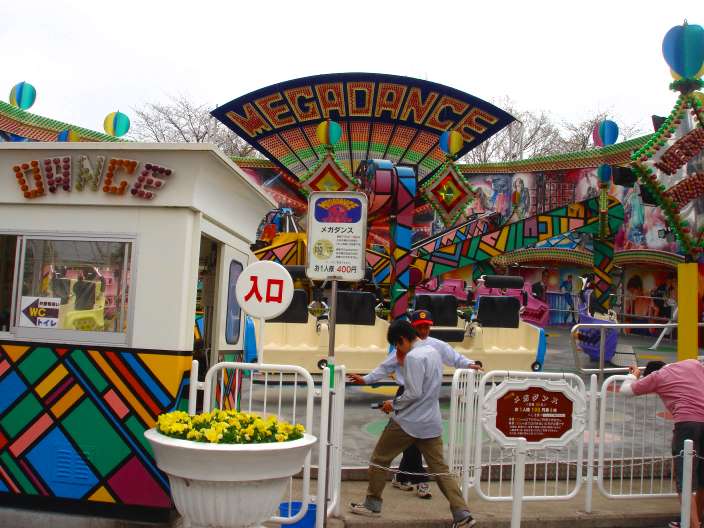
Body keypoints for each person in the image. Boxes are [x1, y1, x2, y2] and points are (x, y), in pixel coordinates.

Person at [349, 320, 476, 527]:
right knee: (441, 469)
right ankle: (462, 513)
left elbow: (413, 393)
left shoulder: (414, 357)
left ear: (402, 339)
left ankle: (372, 504)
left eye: (397, 345)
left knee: (380, 458)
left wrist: (392, 404)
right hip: (431, 421)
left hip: (407, 421)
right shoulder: (433, 351)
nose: (398, 351)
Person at [622, 360, 704, 528]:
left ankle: (693, 525)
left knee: (684, 481)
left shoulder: (658, 377)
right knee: (702, 477)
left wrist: (633, 375)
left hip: (687, 425)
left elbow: (626, 390)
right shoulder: (692, 363)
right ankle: (693, 520)